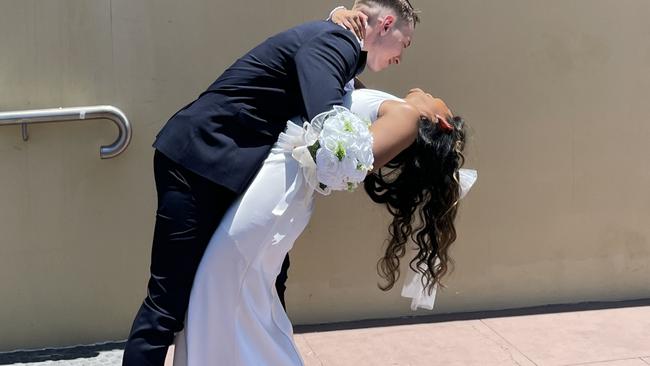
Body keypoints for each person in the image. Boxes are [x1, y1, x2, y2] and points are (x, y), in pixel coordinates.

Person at [123, 2, 424, 365]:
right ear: (386, 23)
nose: (400, 58)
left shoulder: (335, 43)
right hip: (200, 161)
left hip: (232, 172)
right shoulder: (336, 41)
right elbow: (331, 131)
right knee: (167, 303)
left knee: (267, 283)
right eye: (404, 44)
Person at [170, 87, 471, 365]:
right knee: (234, 294)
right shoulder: (397, 106)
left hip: (278, 195)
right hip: (280, 193)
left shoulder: (407, 116)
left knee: (222, 286)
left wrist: (318, 144)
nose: (432, 93)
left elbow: (352, 165)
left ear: (438, 120)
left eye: (449, 115)